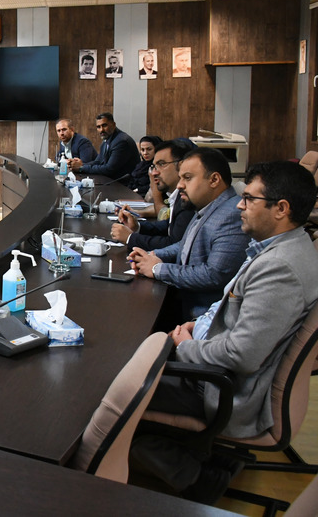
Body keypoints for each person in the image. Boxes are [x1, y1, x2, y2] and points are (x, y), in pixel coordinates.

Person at [132, 161, 318, 501]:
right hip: (218, 371)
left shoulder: (280, 268)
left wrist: (186, 346)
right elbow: (235, 314)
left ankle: (198, 479)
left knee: (114, 390)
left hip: (220, 388)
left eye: (249, 199)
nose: (239, 206)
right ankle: (208, 457)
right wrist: (200, 325)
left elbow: (242, 355)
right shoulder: (285, 247)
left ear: (281, 209)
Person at [129, 147, 249, 324]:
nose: (180, 185)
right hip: (181, 301)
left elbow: (213, 275)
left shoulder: (232, 215)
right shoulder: (207, 205)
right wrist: (152, 255)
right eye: (180, 178)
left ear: (214, 180)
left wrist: (157, 269)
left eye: (187, 178)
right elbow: (184, 244)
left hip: (199, 318)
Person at [112, 139, 195, 251]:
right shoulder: (177, 195)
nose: (154, 172)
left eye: (161, 164)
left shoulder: (189, 199)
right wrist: (137, 227)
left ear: (181, 166)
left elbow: (175, 244)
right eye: (154, 166)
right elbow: (169, 226)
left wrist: (130, 238)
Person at [69, 112, 140, 184]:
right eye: (98, 127)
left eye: (104, 125)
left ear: (113, 124)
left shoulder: (121, 141)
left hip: (125, 185)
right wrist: (80, 165)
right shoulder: (107, 139)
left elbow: (109, 169)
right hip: (111, 182)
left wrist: (81, 168)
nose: (101, 130)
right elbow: (98, 162)